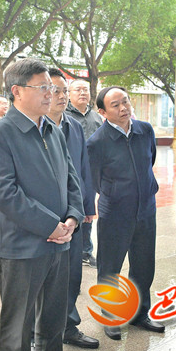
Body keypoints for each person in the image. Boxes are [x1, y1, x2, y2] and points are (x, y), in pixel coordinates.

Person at [0, 58, 86, 351]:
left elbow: (72, 179)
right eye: (43, 87)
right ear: (17, 91)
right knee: (17, 326)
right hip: (22, 247)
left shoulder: (53, 130)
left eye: (54, 88)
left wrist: (72, 216)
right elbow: (4, 193)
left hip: (60, 241)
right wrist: (49, 225)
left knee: (54, 319)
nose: (51, 94)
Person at [87, 86, 164, 341]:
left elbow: (149, 161)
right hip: (115, 213)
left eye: (126, 102)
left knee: (144, 265)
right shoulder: (97, 142)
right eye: (116, 105)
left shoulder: (145, 131)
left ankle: (140, 313)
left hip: (146, 209)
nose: (124, 109)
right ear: (102, 112)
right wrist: (117, 192)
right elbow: (94, 180)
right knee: (110, 266)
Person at [46, 68, 99, 349]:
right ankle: (35, 335)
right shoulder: (35, 128)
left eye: (64, 91)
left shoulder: (74, 126)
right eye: (55, 90)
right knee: (44, 280)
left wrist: (86, 207)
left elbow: (82, 170)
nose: (62, 96)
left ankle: (68, 326)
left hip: (74, 215)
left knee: (71, 276)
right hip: (45, 219)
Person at [65, 79, 103, 268]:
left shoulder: (95, 117)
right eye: (78, 89)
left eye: (85, 90)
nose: (82, 93)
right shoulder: (63, 116)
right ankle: (70, 253)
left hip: (91, 173)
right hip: (71, 172)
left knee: (88, 212)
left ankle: (86, 251)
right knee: (72, 211)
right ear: (69, 94)